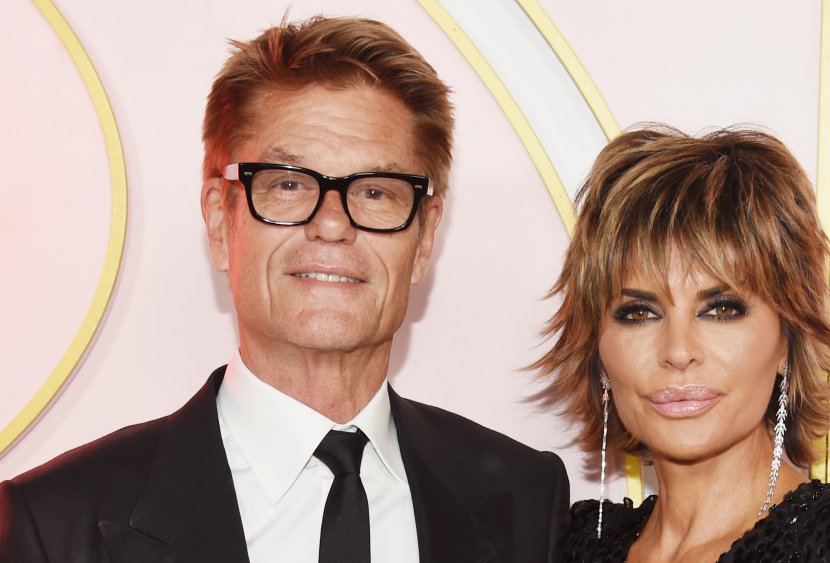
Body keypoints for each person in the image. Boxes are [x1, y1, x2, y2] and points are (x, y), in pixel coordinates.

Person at [0, 16, 569, 563]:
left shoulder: (526, 501)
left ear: (423, 239)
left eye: (375, 192)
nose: (332, 223)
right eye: (289, 185)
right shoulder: (53, 521)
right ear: (221, 222)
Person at [534, 125, 830, 562]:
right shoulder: (569, 546)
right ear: (598, 351)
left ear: (788, 336)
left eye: (721, 310)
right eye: (639, 313)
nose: (678, 351)